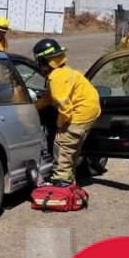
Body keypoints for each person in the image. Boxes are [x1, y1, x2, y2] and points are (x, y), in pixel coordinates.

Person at [32, 38, 101, 186]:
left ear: (44, 61)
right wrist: (33, 107)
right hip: (90, 110)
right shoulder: (65, 72)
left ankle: (61, 183)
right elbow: (49, 98)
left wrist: (60, 126)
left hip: (81, 112)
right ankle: (69, 179)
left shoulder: (56, 77)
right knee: (71, 149)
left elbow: (65, 107)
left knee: (63, 145)